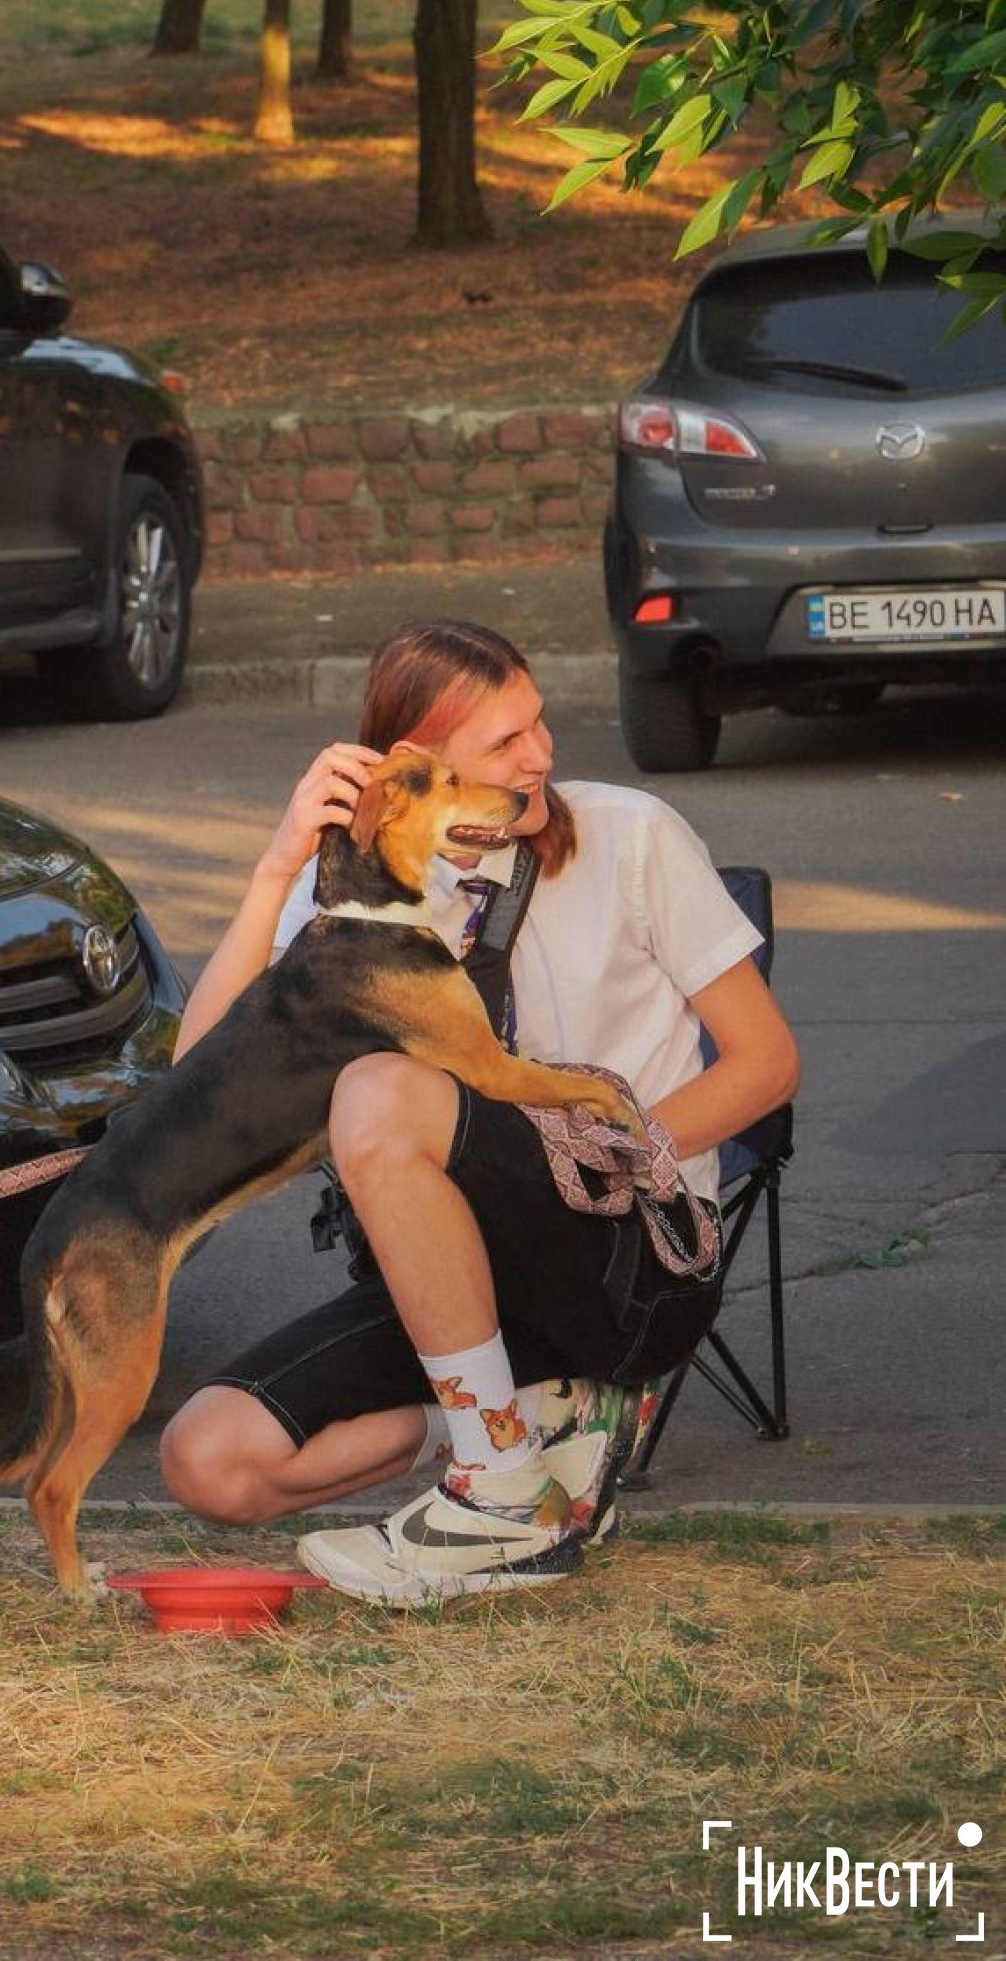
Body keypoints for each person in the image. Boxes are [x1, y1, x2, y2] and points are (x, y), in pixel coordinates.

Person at [158, 618, 800, 1605]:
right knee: (209, 1462)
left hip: (629, 1259)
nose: (540, 754)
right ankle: (524, 1431)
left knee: (375, 1090)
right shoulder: (358, 892)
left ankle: (500, 1496)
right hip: (452, 1281)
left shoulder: (631, 835)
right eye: (504, 743)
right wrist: (278, 867)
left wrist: (614, 1153)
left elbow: (765, 1063)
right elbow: (197, 1075)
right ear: (416, 765)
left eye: (537, 724)